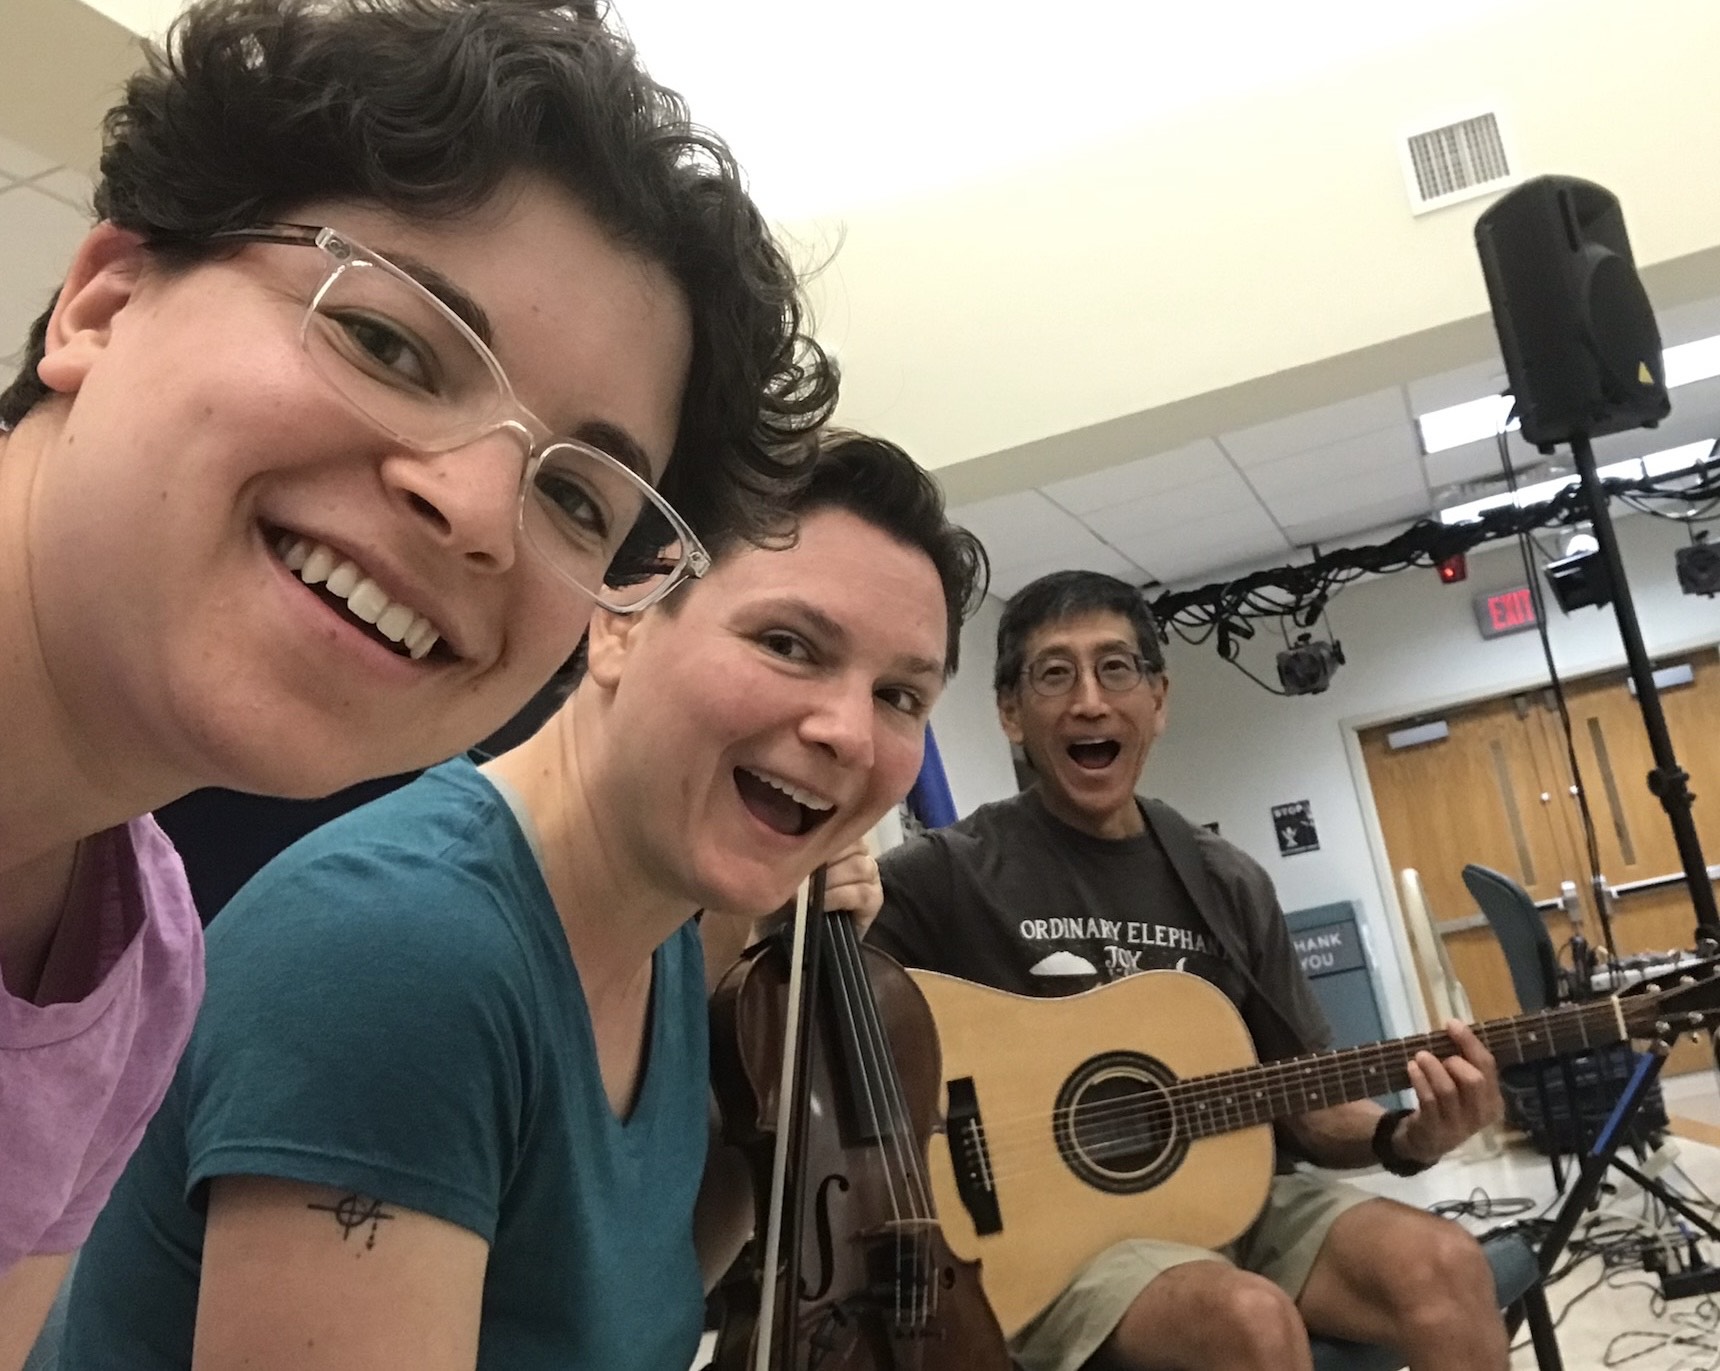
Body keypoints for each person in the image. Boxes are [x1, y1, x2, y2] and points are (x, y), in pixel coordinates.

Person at [0, 0, 837, 1355]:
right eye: (392, 343)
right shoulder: (390, 941)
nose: (482, 511)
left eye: (576, 497)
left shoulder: (137, 961)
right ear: (105, 301)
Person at [55, 434, 988, 1371]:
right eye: (788, 644)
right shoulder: (402, 955)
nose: (850, 733)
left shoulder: (661, 931)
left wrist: (785, 1053)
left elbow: (603, 1317)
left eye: (900, 695)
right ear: (620, 621)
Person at [868, 570, 1509, 1371]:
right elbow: (809, 1008)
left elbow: (1304, 1098)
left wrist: (1405, 1134)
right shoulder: (947, 873)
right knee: (1249, 1319)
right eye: (1055, 673)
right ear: (1010, 712)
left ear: (1159, 698)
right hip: (1068, 1245)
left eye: (1116, 667)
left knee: (1448, 1263)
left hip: (1240, 1197)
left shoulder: (1226, 880)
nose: (1090, 701)